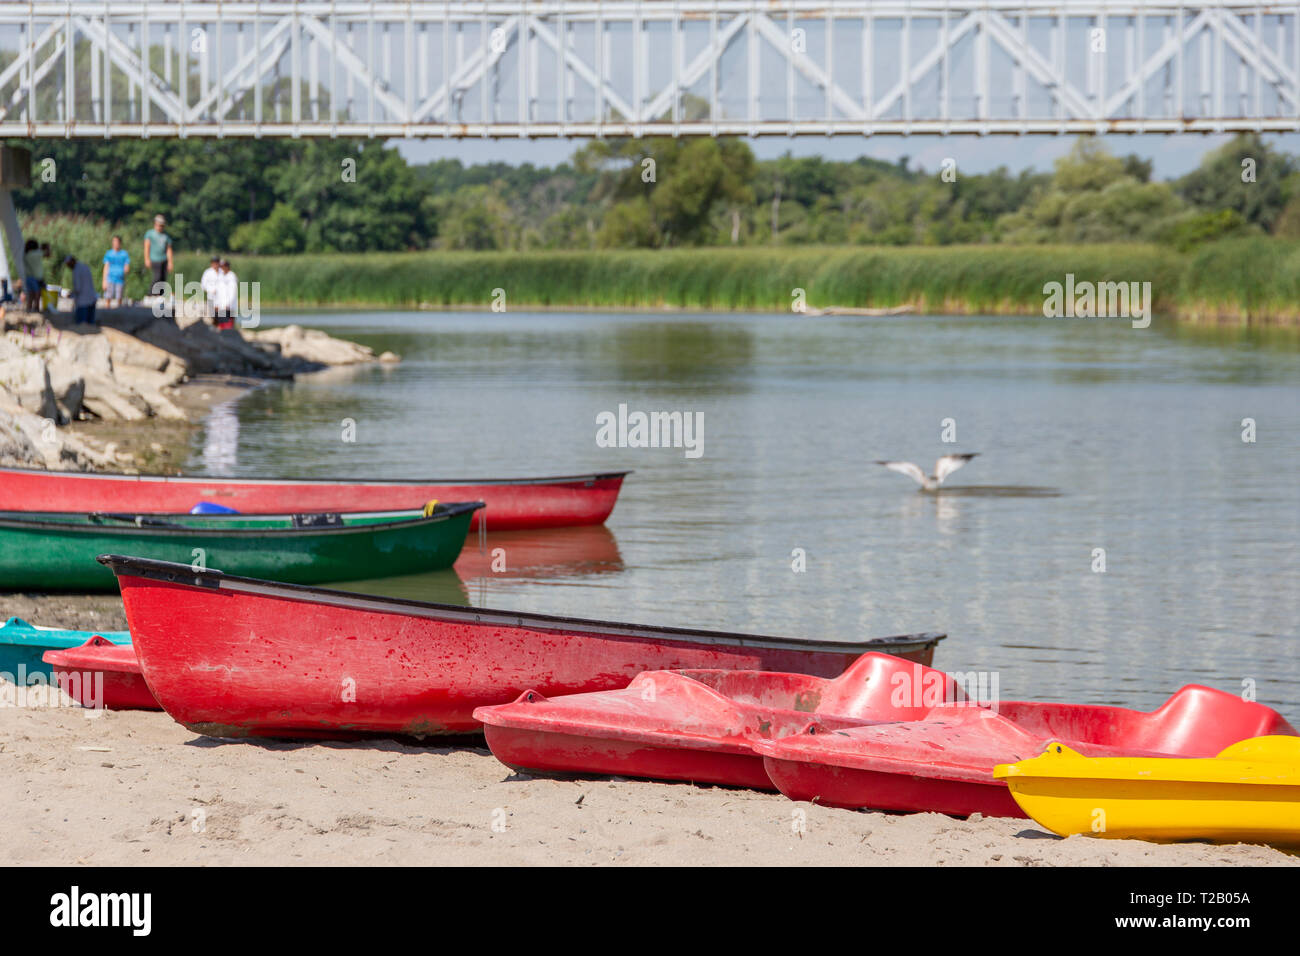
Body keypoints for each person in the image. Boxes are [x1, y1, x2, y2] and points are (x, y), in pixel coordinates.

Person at [143, 214, 173, 298]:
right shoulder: (150, 234)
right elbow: (146, 247)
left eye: (162, 225)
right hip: (154, 259)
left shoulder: (166, 236)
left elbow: (169, 249)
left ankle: (160, 295)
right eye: (159, 225)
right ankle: (151, 294)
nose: (160, 227)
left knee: (163, 278)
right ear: (155, 224)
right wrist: (147, 259)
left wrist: (170, 262)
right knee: (157, 277)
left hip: (164, 259)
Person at [65, 255, 97, 326]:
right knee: (90, 326)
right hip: (92, 299)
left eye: (68, 264)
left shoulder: (76, 270)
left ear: (72, 262)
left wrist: (71, 295)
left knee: (82, 325)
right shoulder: (85, 267)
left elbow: (78, 288)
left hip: (83, 303)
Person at [101, 235, 130, 307]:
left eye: (117, 241)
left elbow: (127, 265)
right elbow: (106, 267)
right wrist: (104, 280)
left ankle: (119, 312)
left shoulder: (124, 254)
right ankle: (107, 311)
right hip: (110, 278)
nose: (115, 243)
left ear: (120, 243)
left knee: (119, 297)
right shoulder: (109, 253)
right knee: (108, 296)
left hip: (120, 279)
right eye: (114, 241)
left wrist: (126, 269)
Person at [213, 259, 238, 330]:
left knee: (229, 326)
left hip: (230, 306)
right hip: (222, 306)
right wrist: (216, 304)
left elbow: (233, 292)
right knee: (222, 325)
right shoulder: (221, 277)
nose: (221, 268)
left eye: (223, 266)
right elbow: (218, 293)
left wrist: (228, 304)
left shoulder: (232, 276)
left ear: (227, 267)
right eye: (221, 267)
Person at [22, 238, 43, 312]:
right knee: (37, 294)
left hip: (28, 278)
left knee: (30, 296)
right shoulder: (36, 254)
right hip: (35, 278)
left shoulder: (26, 255)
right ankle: (36, 309)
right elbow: (47, 254)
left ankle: (28, 309)